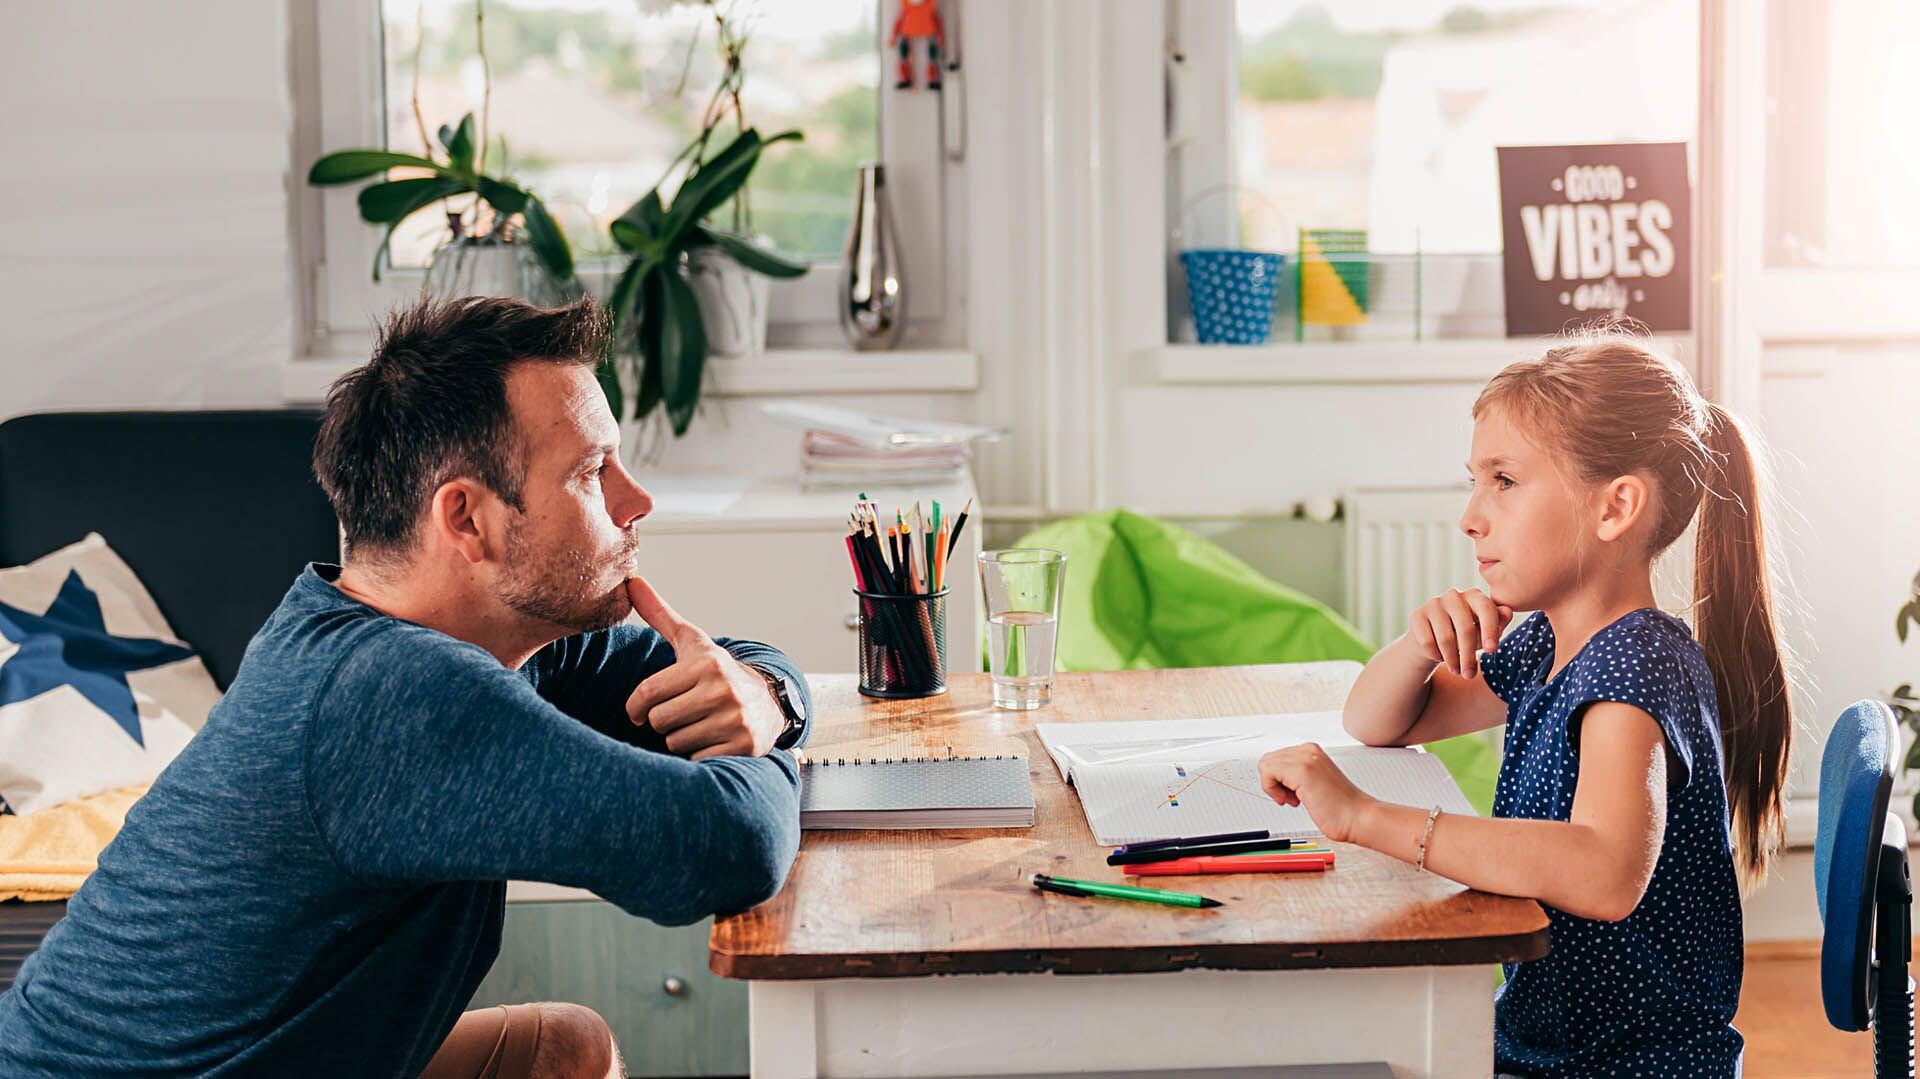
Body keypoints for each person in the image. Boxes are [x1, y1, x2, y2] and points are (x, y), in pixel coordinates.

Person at [0, 295, 813, 1077]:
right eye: (593, 473)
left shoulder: (478, 637)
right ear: (466, 519)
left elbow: (724, 664)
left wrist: (765, 692)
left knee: (563, 1049)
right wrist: (773, 735)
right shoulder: (391, 694)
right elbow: (724, 847)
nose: (637, 501)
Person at [1258, 332, 1791, 1076]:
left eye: (1504, 480)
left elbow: (1605, 869)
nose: (1471, 516)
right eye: (1475, 481)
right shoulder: (1547, 641)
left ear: (1616, 507)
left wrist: (1367, 818)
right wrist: (1419, 644)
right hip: (1545, 1047)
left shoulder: (1638, 661)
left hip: (1628, 1066)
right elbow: (1378, 722)